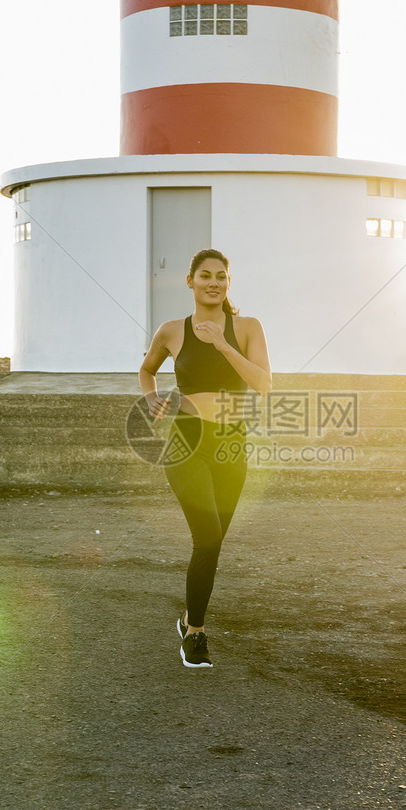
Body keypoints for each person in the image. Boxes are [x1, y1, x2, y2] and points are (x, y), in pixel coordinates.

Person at [138, 249, 272, 668]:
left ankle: (187, 618)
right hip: (186, 442)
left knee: (213, 544)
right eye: (205, 275)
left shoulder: (247, 328)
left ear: (228, 283)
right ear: (190, 281)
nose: (213, 282)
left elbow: (264, 384)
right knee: (207, 538)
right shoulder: (171, 331)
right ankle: (195, 634)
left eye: (221, 276)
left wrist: (223, 345)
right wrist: (151, 398)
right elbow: (147, 369)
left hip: (232, 442)